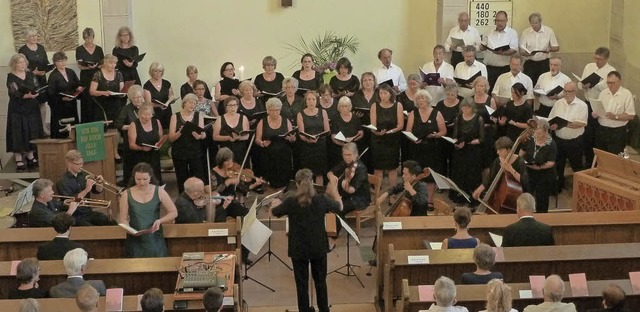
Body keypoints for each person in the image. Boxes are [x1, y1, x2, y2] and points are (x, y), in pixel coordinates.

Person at [270, 168, 343, 312]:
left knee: (301, 284)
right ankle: (323, 309)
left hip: (299, 248)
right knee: (321, 282)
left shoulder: (291, 201)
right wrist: (334, 191)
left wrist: (274, 202)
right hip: (318, 247)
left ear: (297, 184)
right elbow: (340, 206)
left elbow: (273, 212)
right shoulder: (321, 200)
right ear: (312, 183)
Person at [118, 162, 178, 258]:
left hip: (154, 237)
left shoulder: (159, 191)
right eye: (138, 179)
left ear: (150, 177)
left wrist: (160, 221)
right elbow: (123, 219)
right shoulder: (126, 194)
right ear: (134, 177)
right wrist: (128, 228)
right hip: (135, 239)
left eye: (145, 179)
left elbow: (173, 212)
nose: (142, 182)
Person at [405, 89, 446, 207]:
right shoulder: (413, 113)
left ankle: (429, 200)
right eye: (418, 98)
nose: (420, 100)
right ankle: (415, 198)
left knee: (430, 176)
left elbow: (443, 131)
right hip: (416, 148)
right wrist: (413, 139)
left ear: (427, 99)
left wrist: (436, 135)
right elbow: (408, 131)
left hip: (432, 149)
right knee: (416, 175)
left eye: (422, 98)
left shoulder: (436, 113)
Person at [5, 53, 44, 172]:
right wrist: (24, 95)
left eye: (23, 62)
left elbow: (36, 86)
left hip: (31, 107)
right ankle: (18, 158)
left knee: (32, 129)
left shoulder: (30, 74)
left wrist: (36, 93)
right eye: (19, 62)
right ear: (14, 64)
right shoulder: (11, 76)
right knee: (18, 131)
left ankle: (30, 155)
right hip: (17, 108)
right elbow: (13, 92)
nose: (22, 64)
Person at [57, 150, 115, 226]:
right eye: (78, 164)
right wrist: (86, 190)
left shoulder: (84, 175)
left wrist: (100, 184)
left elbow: (97, 191)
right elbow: (71, 201)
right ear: (69, 163)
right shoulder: (62, 181)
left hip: (88, 211)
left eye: (82, 163)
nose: (81, 166)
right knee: (92, 230)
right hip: (76, 215)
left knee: (111, 222)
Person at [548, 81, 588, 192]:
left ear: (575, 92)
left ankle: (579, 190)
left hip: (574, 142)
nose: (565, 94)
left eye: (568, 91)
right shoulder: (558, 103)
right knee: (558, 166)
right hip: (559, 140)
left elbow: (581, 123)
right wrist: (553, 126)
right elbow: (551, 119)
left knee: (576, 166)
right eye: (564, 91)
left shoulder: (582, 105)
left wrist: (565, 123)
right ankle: (558, 187)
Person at [580, 47, 616, 166]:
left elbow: (610, 89)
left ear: (606, 58)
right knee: (587, 133)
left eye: (600, 59)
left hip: (600, 104)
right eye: (595, 58)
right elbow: (581, 83)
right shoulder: (589, 66)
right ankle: (588, 160)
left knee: (597, 134)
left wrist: (595, 85)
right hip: (587, 102)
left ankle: (598, 162)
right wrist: (583, 85)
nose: (597, 61)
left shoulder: (611, 71)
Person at [327, 143, 369, 241]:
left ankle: (332, 238)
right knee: (328, 204)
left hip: (359, 198)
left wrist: (341, 183)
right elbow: (330, 172)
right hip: (347, 195)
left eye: (349, 155)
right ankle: (327, 231)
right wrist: (332, 177)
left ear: (356, 154)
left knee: (338, 209)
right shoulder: (345, 163)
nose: (346, 157)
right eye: (344, 155)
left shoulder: (361, 168)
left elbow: (351, 190)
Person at [472, 137, 527, 207]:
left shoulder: (520, 161)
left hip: (516, 196)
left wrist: (511, 169)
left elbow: (524, 181)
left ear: (509, 150)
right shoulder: (497, 161)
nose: (497, 152)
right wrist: (479, 189)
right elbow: (490, 178)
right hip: (498, 194)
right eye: (497, 150)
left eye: (500, 150)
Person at [168, 93, 206, 193]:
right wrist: (180, 132)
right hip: (180, 151)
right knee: (182, 178)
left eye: (195, 103)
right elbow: (171, 138)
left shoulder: (199, 116)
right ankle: (183, 199)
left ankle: (199, 197)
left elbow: (203, 134)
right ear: (184, 103)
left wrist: (200, 136)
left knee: (198, 176)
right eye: (190, 102)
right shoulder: (175, 116)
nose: (192, 105)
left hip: (195, 151)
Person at [256, 97, 296, 189]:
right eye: (272, 110)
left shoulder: (286, 121)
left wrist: (292, 139)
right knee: (270, 180)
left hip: (283, 155)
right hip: (268, 155)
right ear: (268, 110)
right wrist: (262, 143)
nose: (275, 113)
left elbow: (292, 138)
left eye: (277, 110)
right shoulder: (262, 121)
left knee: (283, 179)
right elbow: (257, 140)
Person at [593, 71, 635, 156]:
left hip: (617, 132)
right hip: (601, 130)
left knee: (615, 158)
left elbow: (631, 116)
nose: (610, 85)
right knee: (600, 156)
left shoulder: (626, 94)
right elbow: (599, 108)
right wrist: (595, 113)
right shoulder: (603, 93)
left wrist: (615, 116)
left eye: (613, 83)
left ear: (620, 81)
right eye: (608, 83)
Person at [451, 99, 484, 205]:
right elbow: (455, 135)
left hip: (473, 151)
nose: (465, 109)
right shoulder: (458, 118)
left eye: (468, 107)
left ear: (472, 108)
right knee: (460, 174)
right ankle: (460, 198)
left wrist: (469, 143)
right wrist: (457, 143)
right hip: (460, 151)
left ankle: (472, 200)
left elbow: (482, 138)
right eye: (463, 107)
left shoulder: (479, 119)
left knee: (472, 175)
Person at [370, 84, 404, 188]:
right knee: (378, 168)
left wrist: (388, 132)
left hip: (392, 140)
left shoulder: (398, 105)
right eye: (380, 93)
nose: (382, 96)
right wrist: (376, 132)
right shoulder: (374, 106)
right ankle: (377, 194)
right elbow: (373, 126)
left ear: (390, 94)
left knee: (392, 168)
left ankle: (392, 193)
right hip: (378, 140)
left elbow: (400, 125)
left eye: (385, 93)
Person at [520, 119, 557, 213]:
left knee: (542, 199)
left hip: (544, 175)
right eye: (536, 132)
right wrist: (521, 160)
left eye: (539, 133)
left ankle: (542, 216)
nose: (537, 135)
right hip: (529, 172)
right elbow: (522, 151)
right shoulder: (531, 139)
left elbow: (551, 162)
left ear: (546, 131)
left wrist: (539, 167)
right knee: (527, 196)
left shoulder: (551, 144)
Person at [297, 91, 330, 185]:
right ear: (305, 101)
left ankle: (318, 195)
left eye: (313, 99)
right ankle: (307, 193)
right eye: (309, 99)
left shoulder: (323, 112)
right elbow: (301, 133)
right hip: (306, 147)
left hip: (320, 146)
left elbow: (327, 130)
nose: (311, 101)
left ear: (316, 101)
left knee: (319, 173)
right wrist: (308, 139)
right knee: (307, 173)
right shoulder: (300, 114)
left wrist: (318, 137)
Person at [480, 10, 518, 93]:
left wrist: (503, 52)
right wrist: (481, 46)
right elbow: (483, 46)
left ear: (506, 21)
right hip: (489, 67)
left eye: (502, 21)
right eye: (497, 20)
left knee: (503, 91)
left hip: (504, 68)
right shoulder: (489, 31)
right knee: (488, 90)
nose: (499, 23)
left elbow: (514, 49)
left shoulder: (512, 33)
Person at [115, 84, 145, 185]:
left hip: (145, 141)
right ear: (131, 98)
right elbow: (118, 124)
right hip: (131, 142)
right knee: (132, 166)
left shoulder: (146, 107)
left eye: (140, 97)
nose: (139, 99)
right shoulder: (127, 109)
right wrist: (130, 127)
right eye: (136, 97)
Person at [519, 13, 560, 86]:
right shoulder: (526, 32)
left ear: (540, 22)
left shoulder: (549, 31)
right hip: (530, 62)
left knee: (544, 84)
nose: (534, 25)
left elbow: (556, 47)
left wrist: (550, 49)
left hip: (544, 63)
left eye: (536, 23)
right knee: (528, 84)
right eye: (532, 23)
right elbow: (521, 51)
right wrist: (528, 53)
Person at [128, 103, 164, 185]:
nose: (147, 117)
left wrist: (160, 144)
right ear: (139, 114)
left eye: (149, 114)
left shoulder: (156, 122)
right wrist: (141, 148)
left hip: (154, 155)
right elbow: (131, 145)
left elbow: (161, 137)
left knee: (155, 178)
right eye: (144, 115)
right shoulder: (134, 125)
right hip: (140, 156)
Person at [47, 51, 80, 138]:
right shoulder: (53, 75)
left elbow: (77, 84)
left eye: (64, 60)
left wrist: (79, 89)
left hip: (72, 103)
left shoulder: (71, 72)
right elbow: (51, 93)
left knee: (73, 126)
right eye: (60, 61)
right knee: (62, 128)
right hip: (60, 106)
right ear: (55, 63)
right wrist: (62, 99)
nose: (62, 63)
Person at [75, 27, 104, 123]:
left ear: (93, 37)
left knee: (97, 99)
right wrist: (88, 67)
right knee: (86, 100)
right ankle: (86, 123)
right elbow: (80, 65)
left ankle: (99, 122)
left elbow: (103, 63)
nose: (89, 40)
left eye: (90, 38)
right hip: (86, 77)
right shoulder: (79, 49)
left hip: (97, 76)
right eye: (87, 38)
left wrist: (97, 66)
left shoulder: (99, 49)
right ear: (84, 38)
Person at [329, 96, 365, 169]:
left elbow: (361, 133)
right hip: (339, 149)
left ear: (350, 107)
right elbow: (333, 136)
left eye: (346, 106)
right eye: (342, 106)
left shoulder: (355, 118)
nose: (344, 109)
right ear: (339, 107)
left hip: (353, 149)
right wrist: (344, 142)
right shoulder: (335, 118)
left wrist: (352, 139)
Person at [213, 96, 250, 164]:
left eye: (234, 105)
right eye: (230, 105)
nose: (232, 107)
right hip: (225, 151)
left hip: (240, 150)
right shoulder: (220, 119)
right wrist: (228, 138)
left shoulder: (243, 118)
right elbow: (215, 137)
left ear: (237, 106)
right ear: (226, 107)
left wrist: (239, 137)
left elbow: (247, 136)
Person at [435, 84, 462, 178]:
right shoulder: (440, 104)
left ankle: (452, 181)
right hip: (442, 135)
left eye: (452, 95)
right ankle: (441, 182)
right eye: (448, 94)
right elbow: (435, 117)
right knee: (441, 159)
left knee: (453, 159)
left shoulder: (461, 104)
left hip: (455, 134)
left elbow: (463, 119)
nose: (450, 96)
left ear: (457, 94)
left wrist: (455, 123)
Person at [89, 54, 125, 123]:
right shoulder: (98, 74)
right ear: (105, 63)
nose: (113, 65)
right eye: (111, 63)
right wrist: (103, 92)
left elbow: (122, 90)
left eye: (114, 63)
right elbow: (92, 91)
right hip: (101, 105)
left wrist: (123, 94)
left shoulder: (119, 73)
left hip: (116, 105)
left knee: (117, 126)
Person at [471, 77, 498, 169]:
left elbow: (494, 118)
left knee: (485, 161)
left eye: (482, 86)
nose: (479, 88)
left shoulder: (491, 100)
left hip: (486, 132)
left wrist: (493, 121)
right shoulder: (470, 99)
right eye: (477, 85)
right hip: (473, 132)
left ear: (486, 88)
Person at [144, 61, 175, 129]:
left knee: (168, 130)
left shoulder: (166, 83)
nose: (158, 73)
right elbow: (148, 103)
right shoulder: (147, 85)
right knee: (157, 131)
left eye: (160, 71)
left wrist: (168, 102)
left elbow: (171, 95)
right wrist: (159, 105)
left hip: (167, 112)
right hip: (155, 113)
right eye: (156, 71)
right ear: (151, 72)